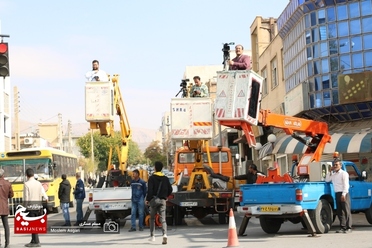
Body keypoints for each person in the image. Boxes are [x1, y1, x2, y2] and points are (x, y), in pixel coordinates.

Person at [145, 161, 173, 245]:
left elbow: (149, 190)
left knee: (152, 218)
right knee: (163, 219)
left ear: (155, 168)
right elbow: (170, 189)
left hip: (154, 200)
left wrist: (148, 199)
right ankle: (164, 234)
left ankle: (152, 236)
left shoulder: (152, 178)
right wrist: (165, 196)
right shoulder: (165, 178)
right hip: (162, 200)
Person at [325, 158, 352, 233]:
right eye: (334, 165)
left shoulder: (344, 173)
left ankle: (349, 227)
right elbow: (327, 180)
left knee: (346, 210)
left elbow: (346, 185)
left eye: (337, 165)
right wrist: (329, 171)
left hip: (344, 193)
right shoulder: (333, 175)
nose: (335, 166)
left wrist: (343, 194)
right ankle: (342, 227)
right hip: (337, 193)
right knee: (339, 211)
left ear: (340, 165)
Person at [23, 168, 45, 247]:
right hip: (38, 205)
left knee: (32, 225)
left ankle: (36, 242)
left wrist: (24, 207)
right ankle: (34, 240)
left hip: (30, 206)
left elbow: (26, 197)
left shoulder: (26, 184)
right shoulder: (38, 183)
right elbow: (40, 195)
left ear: (27, 175)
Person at [0, 169, 14, 248]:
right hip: (4, 206)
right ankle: (7, 243)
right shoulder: (7, 183)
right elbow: (11, 195)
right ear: (3, 175)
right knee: (6, 226)